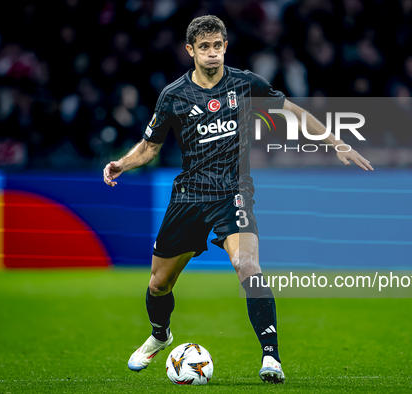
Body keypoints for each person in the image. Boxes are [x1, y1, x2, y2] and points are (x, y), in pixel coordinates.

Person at [103, 15, 373, 384]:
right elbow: (150, 147)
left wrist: (337, 143)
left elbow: (291, 111)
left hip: (233, 193)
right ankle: (160, 334)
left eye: (218, 46)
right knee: (158, 284)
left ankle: (271, 358)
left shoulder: (245, 84)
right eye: (204, 47)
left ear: (225, 46)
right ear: (190, 51)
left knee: (248, 266)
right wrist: (122, 163)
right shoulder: (173, 96)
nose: (212, 54)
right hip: (189, 197)